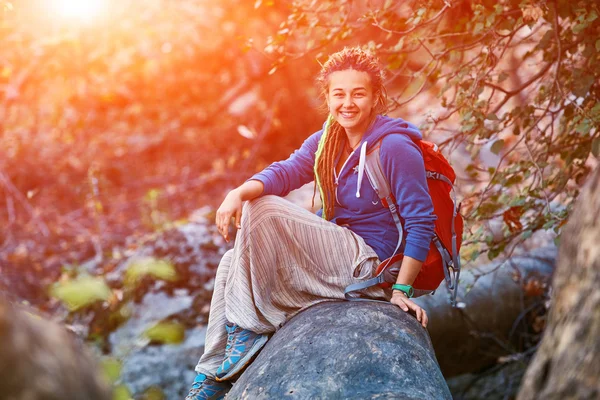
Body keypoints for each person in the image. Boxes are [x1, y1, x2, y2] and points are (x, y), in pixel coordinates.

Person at [185, 47, 436, 400]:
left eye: (358, 93)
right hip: (340, 251)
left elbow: (421, 222)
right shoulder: (328, 141)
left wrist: (402, 291)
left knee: (266, 210)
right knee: (230, 261)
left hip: (372, 264)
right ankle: (211, 376)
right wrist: (239, 191)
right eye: (339, 94)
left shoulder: (394, 147)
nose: (347, 103)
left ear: (376, 97)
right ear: (328, 97)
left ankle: (247, 328)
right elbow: (287, 171)